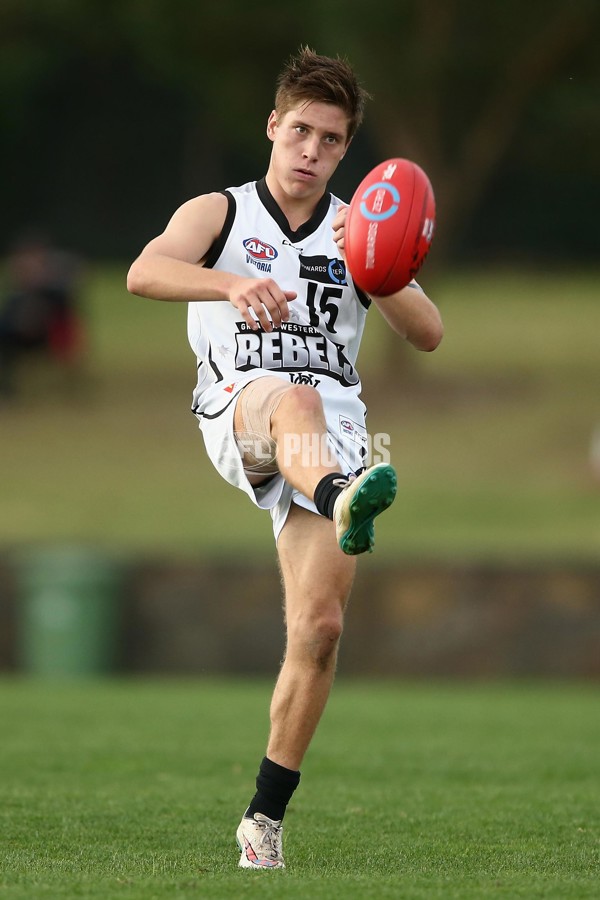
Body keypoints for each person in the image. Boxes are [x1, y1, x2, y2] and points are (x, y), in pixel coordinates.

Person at [127, 47, 443, 869]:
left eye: (331, 140)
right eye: (300, 130)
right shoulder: (220, 214)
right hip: (245, 407)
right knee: (289, 398)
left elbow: (429, 333)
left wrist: (377, 256)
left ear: (345, 152)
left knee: (321, 626)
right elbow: (144, 272)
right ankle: (344, 496)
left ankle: (263, 819)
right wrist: (228, 286)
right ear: (273, 126)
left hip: (337, 429)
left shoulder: (354, 232)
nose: (311, 150)